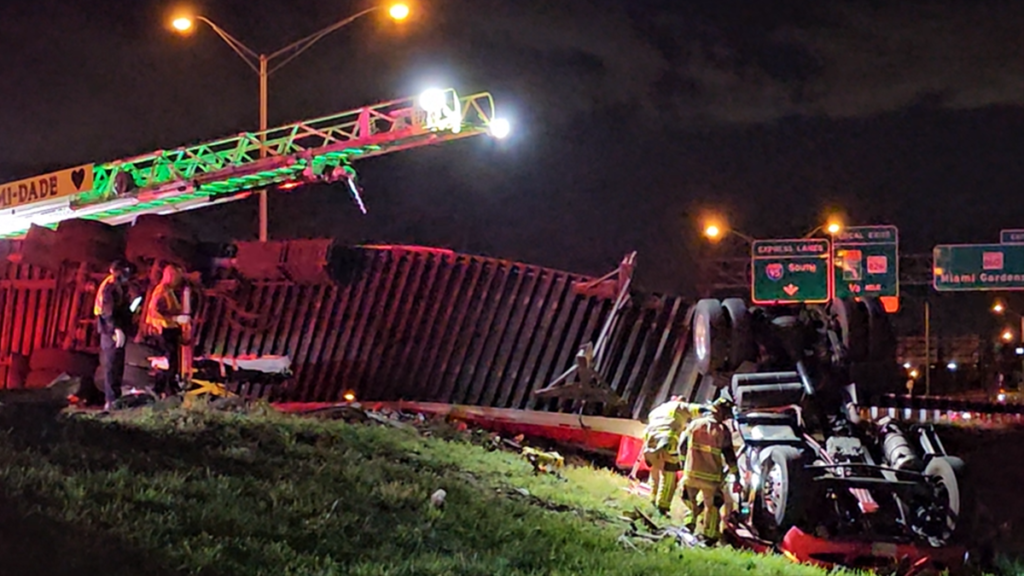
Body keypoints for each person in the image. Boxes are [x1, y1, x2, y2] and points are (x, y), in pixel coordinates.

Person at [680, 397, 738, 545]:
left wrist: (683, 464)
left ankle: (688, 526)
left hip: (691, 473)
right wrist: (736, 475)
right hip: (711, 478)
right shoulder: (723, 431)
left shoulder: (694, 424)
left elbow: (682, 446)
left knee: (689, 500)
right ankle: (710, 536)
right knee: (712, 506)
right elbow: (729, 455)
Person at [642, 397, 709, 514]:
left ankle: (652, 499)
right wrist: (711, 410)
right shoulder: (680, 406)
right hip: (667, 441)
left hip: (649, 444)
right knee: (669, 477)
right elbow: (696, 409)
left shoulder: (657, 410)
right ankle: (662, 508)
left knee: (655, 471)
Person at [94, 259, 136, 411]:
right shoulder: (109, 288)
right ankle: (111, 401)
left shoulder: (119, 287)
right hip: (109, 331)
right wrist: (116, 329)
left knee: (117, 364)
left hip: (118, 329)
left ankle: (115, 399)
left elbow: (126, 308)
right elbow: (108, 312)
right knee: (112, 365)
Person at [143, 264, 191, 397]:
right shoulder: (161, 291)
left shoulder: (170, 291)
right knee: (169, 361)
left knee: (173, 361)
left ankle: (167, 387)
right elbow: (155, 312)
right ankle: (165, 389)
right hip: (163, 330)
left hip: (170, 329)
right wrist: (176, 319)